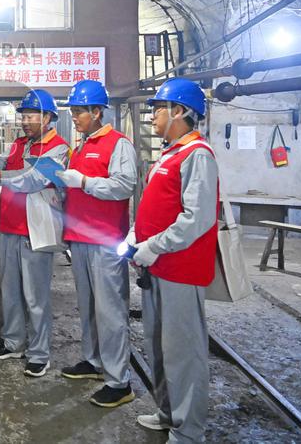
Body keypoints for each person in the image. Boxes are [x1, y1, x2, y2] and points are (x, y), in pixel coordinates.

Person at [125, 78, 219, 442]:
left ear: (179, 112)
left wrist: (156, 246)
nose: (152, 116)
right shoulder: (170, 154)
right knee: (160, 346)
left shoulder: (198, 155)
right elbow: (159, 206)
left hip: (180, 269)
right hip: (156, 267)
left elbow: (197, 218)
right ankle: (168, 413)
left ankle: (189, 430)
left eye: (158, 109)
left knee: (184, 351)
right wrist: (137, 234)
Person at [0, 90, 69, 378]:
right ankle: (13, 341)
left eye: (31, 116)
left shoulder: (57, 148)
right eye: (23, 115)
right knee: (10, 289)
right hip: (10, 227)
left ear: (48, 118)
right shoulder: (20, 144)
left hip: (36, 230)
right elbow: (6, 165)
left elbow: (32, 180)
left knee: (35, 296)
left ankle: (39, 353)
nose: (25, 121)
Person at [57, 79, 137, 408]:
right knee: (88, 306)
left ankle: (119, 382)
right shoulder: (80, 146)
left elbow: (123, 186)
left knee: (111, 311)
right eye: (73, 112)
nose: (74, 117)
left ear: (97, 111)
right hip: (80, 238)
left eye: (79, 112)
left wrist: (85, 182)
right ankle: (92, 361)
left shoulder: (119, 145)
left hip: (104, 240)